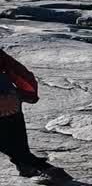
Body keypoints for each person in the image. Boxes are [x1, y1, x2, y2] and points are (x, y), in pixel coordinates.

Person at [0, 48, 72, 184]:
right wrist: (29, 94)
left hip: (6, 102)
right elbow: (19, 72)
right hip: (9, 101)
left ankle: (42, 169)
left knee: (12, 144)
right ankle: (29, 168)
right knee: (16, 142)